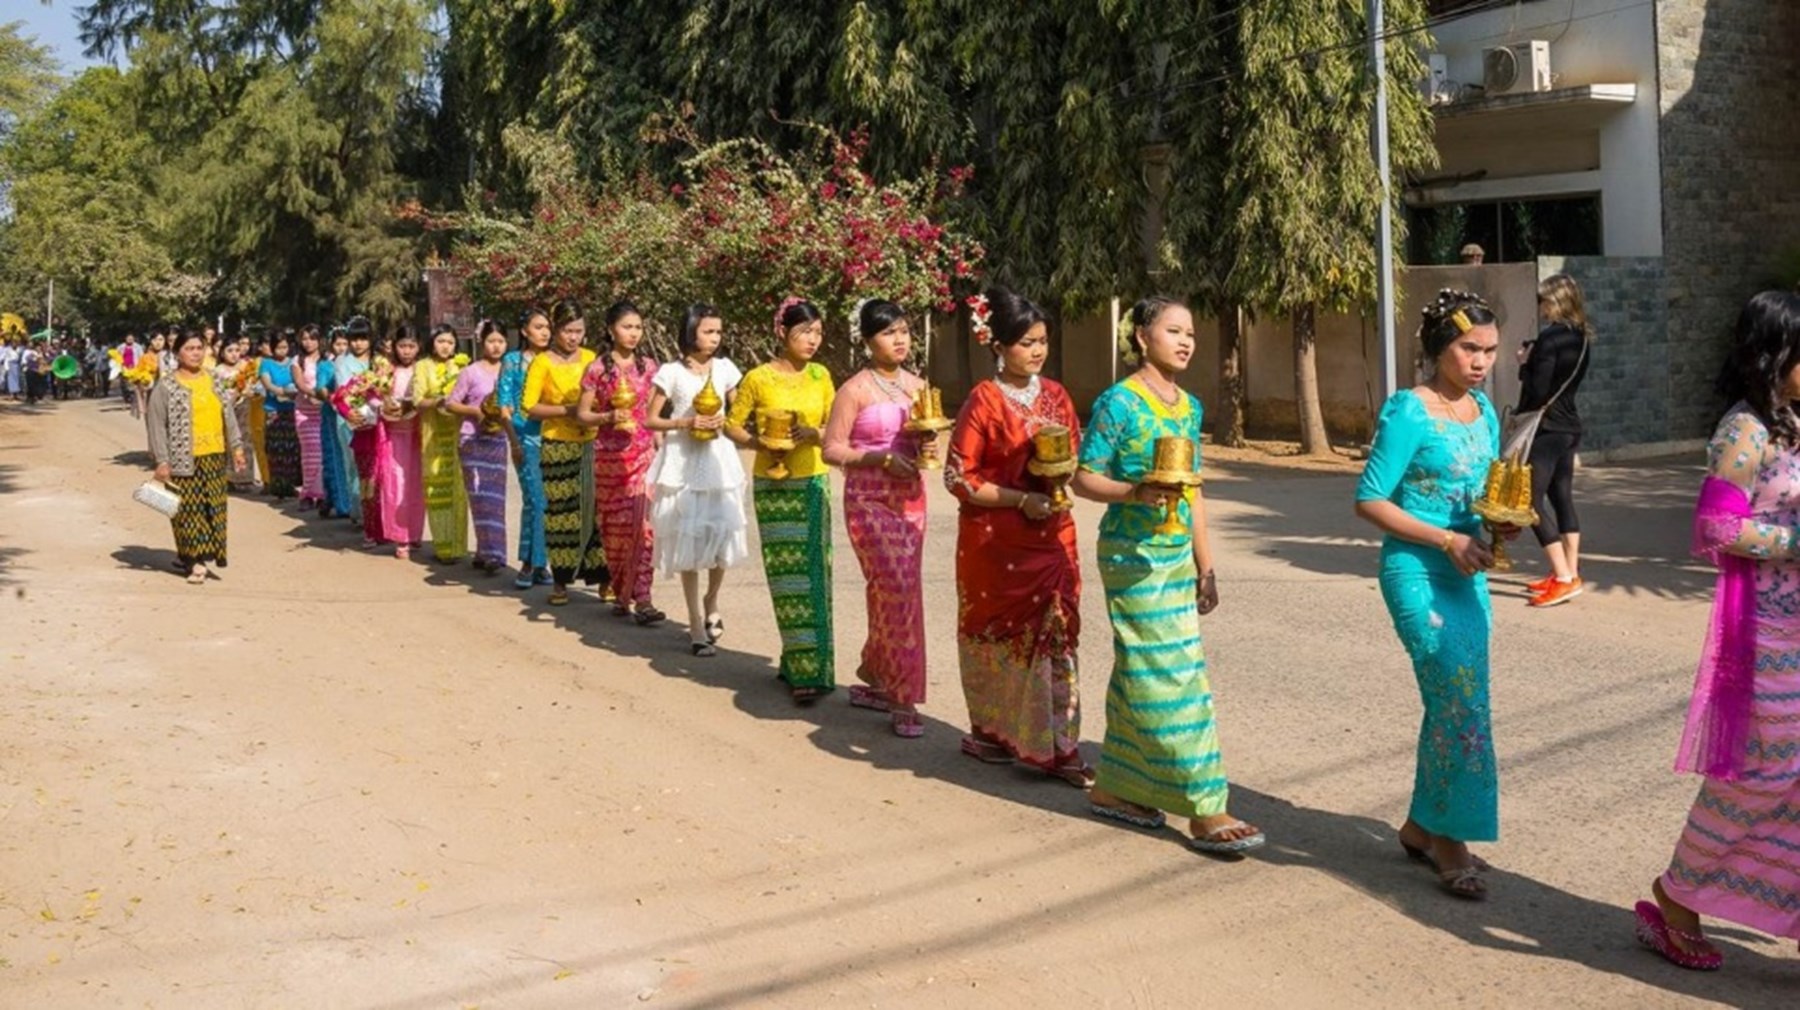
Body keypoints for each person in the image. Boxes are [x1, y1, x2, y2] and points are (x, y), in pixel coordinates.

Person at [1633, 290, 1800, 970]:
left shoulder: (1792, 423)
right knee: (1761, 777)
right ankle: (1677, 893)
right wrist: (1794, 540)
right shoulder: (1746, 431)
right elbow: (1716, 527)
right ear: (1774, 356)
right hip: (1768, 634)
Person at [1073, 296, 1265, 856]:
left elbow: (1194, 490)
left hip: (1177, 555)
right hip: (1132, 557)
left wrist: (1207, 565)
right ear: (1141, 337)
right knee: (1175, 679)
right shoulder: (1119, 402)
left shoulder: (1189, 407)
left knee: (1142, 670)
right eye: (1173, 331)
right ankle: (1206, 807)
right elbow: (1084, 478)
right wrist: (1134, 492)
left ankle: (1114, 787)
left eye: (1191, 334)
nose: (1185, 341)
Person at [1354, 289, 1509, 897]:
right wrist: (1447, 540)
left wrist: (1501, 524)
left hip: (1469, 575)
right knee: (1459, 701)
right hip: (1416, 572)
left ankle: (1422, 825)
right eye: (1469, 347)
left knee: (1457, 700)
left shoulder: (1483, 413)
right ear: (1439, 346)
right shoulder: (1409, 410)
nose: (1481, 361)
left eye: (1491, 351)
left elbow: (1485, 494)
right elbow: (1369, 500)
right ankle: (1450, 838)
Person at [945, 287, 1088, 785]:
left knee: (1057, 636)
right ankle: (993, 731)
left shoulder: (1057, 396)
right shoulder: (983, 401)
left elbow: (1072, 454)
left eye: (1043, 341)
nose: (1038, 350)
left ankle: (1060, 746)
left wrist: (1061, 477)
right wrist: (1019, 499)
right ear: (998, 345)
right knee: (1000, 639)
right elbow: (959, 478)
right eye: (1027, 342)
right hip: (996, 543)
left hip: (1054, 536)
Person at [822, 299, 933, 736]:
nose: (900, 339)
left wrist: (925, 450)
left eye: (904, 330)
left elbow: (928, 436)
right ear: (868, 341)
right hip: (868, 499)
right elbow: (832, 448)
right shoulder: (854, 389)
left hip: (911, 498)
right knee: (897, 586)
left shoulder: (919, 386)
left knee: (894, 591)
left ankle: (877, 674)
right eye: (889, 332)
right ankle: (903, 698)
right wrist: (881, 459)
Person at [726, 297, 836, 700]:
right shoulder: (758, 378)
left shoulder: (821, 375)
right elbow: (731, 426)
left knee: (815, 571)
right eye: (804, 332)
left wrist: (815, 434)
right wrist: (761, 442)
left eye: (818, 332)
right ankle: (796, 657)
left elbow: (835, 427)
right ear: (781, 333)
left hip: (812, 481)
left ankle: (812, 668)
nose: (812, 340)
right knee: (785, 575)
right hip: (772, 486)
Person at [645, 303, 747, 656]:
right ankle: (693, 622)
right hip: (683, 461)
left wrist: (730, 421)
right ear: (691, 332)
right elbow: (651, 419)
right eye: (708, 331)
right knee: (688, 539)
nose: (714, 338)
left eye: (718, 332)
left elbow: (740, 409)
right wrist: (686, 423)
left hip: (719, 460)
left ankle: (712, 599)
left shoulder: (725, 369)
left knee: (722, 535)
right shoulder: (670, 372)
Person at [577, 300, 664, 625]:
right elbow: (583, 415)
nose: (633, 333)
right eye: (627, 327)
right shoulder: (597, 369)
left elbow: (654, 414)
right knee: (615, 531)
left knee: (645, 529)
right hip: (609, 460)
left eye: (638, 327)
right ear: (611, 329)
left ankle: (643, 598)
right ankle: (620, 590)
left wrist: (660, 445)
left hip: (643, 455)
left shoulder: (650, 368)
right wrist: (608, 416)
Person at [523, 299, 608, 603]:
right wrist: (568, 410)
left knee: (597, 511)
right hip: (557, 445)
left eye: (578, 331)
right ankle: (561, 582)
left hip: (593, 442)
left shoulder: (591, 358)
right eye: (567, 330)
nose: (573, 337)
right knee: (562, 514)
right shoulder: (542, 362)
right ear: (556, 330)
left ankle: (602, 580)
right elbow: (530, 407)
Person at [147, 329, 246, 585]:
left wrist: (236, 447)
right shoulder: (166, 385)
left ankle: (194, 554)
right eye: (189, 348)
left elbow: (228, 415)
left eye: (199, 348)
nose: (195, 353)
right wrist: (161, 460)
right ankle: (195, 561)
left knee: (214, 509)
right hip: (182, 460)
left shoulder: (214, 380)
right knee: (187, 512)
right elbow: (156, 424)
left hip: (214, 455)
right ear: (177, 353)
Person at [1519, 273, 1592, 608]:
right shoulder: (1583, 337)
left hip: (1546, 429)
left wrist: (1525, 364)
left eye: (1544, 300)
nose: (1541, 307)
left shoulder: (1549, 339)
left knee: (1530, 501)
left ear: (1556, 301)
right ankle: (1571, 572)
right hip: (1570, 426)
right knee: (1561, 497)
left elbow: (1538, 390)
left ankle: (1562, 576)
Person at [444, 320, 512, 573]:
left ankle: (495, 553)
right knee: (478, 496)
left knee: (495, 497)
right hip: (471, 440)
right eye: (491, 341)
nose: (496, 346)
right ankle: (485, 549)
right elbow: (451, 404)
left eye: (501, 341)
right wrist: (475, 411)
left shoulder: (510, 371)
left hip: (498, 440)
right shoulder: (470, 372)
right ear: (482, 343)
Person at [498, 309, 553, 590]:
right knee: (534, 500)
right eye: (538, 326)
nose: (544, 332)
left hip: (554, 439)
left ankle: (541, 563)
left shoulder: (553, 361)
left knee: (548, 503)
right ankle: (529, 563)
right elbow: (504, 404)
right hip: (524, 439)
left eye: (547, 327)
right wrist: (514, 441)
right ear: (524, 331)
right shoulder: (512, 361)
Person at [414, 323, 471, 563]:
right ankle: (442, 546)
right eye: (441, 341)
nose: (445, 346)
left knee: (459, 490)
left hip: (459, 433)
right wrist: (439, 401)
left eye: (450, 342)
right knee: (437, 488)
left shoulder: (462, 366)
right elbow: (417, 400)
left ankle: (459, 546)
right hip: (433, 436)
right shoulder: (423, 366)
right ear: (432, 343)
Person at [376, 326, 427, 558]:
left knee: (416, 486)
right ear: (394, 347)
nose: (407, 351)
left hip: (418, 435)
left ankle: (414, 533)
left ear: (419, 347)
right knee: (395, 486)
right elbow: (374, 397)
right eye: (402, 346)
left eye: (411, 346)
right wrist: (384, 406)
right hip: (394, 436)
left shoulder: (423, 369)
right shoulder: (386, 371)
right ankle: (400, 537)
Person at [317, 326, 361, 521]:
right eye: (338, 343)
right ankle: (344, 504)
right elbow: (321, 389)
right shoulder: (327, 366)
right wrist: (334, 398)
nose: (342, 347)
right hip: (336, 416)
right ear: (331, 345)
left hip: (362, 415)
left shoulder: (365, 362)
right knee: (342, 460)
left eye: (345, 343)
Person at [257, 329, 303, 499]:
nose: (282, 351)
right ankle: (278, 487)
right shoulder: (266, 364)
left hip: (291, 410)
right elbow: (268, 384)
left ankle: (291, 485)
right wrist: (282, 392)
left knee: (292, 449)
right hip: (274, 411)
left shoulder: (293, 363)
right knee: (276, 450)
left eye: (285, 347)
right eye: (279, 348)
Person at [213, 340, 259, 492]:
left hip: (245, 408)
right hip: (226, 410)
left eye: (237, 350)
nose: (234, 354)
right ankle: (230, 478)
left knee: (245, 441)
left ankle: (246, 477)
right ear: (222, 352)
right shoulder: (218, 371)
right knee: (229, 442)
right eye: (230, 350)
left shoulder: (246, 367)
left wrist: (249, 391)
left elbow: (252, 385)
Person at [292, 324, 328, 510]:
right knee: (310, 453)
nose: (308, 342)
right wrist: (314, 395)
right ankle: (307, 494)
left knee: (324, 452)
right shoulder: (297, 360)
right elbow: (299, 383)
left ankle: (322, 494)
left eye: (312, 338)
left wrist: (325, 398)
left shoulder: (327, 359)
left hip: (324, 411)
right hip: (305, 412)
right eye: (304, 338)